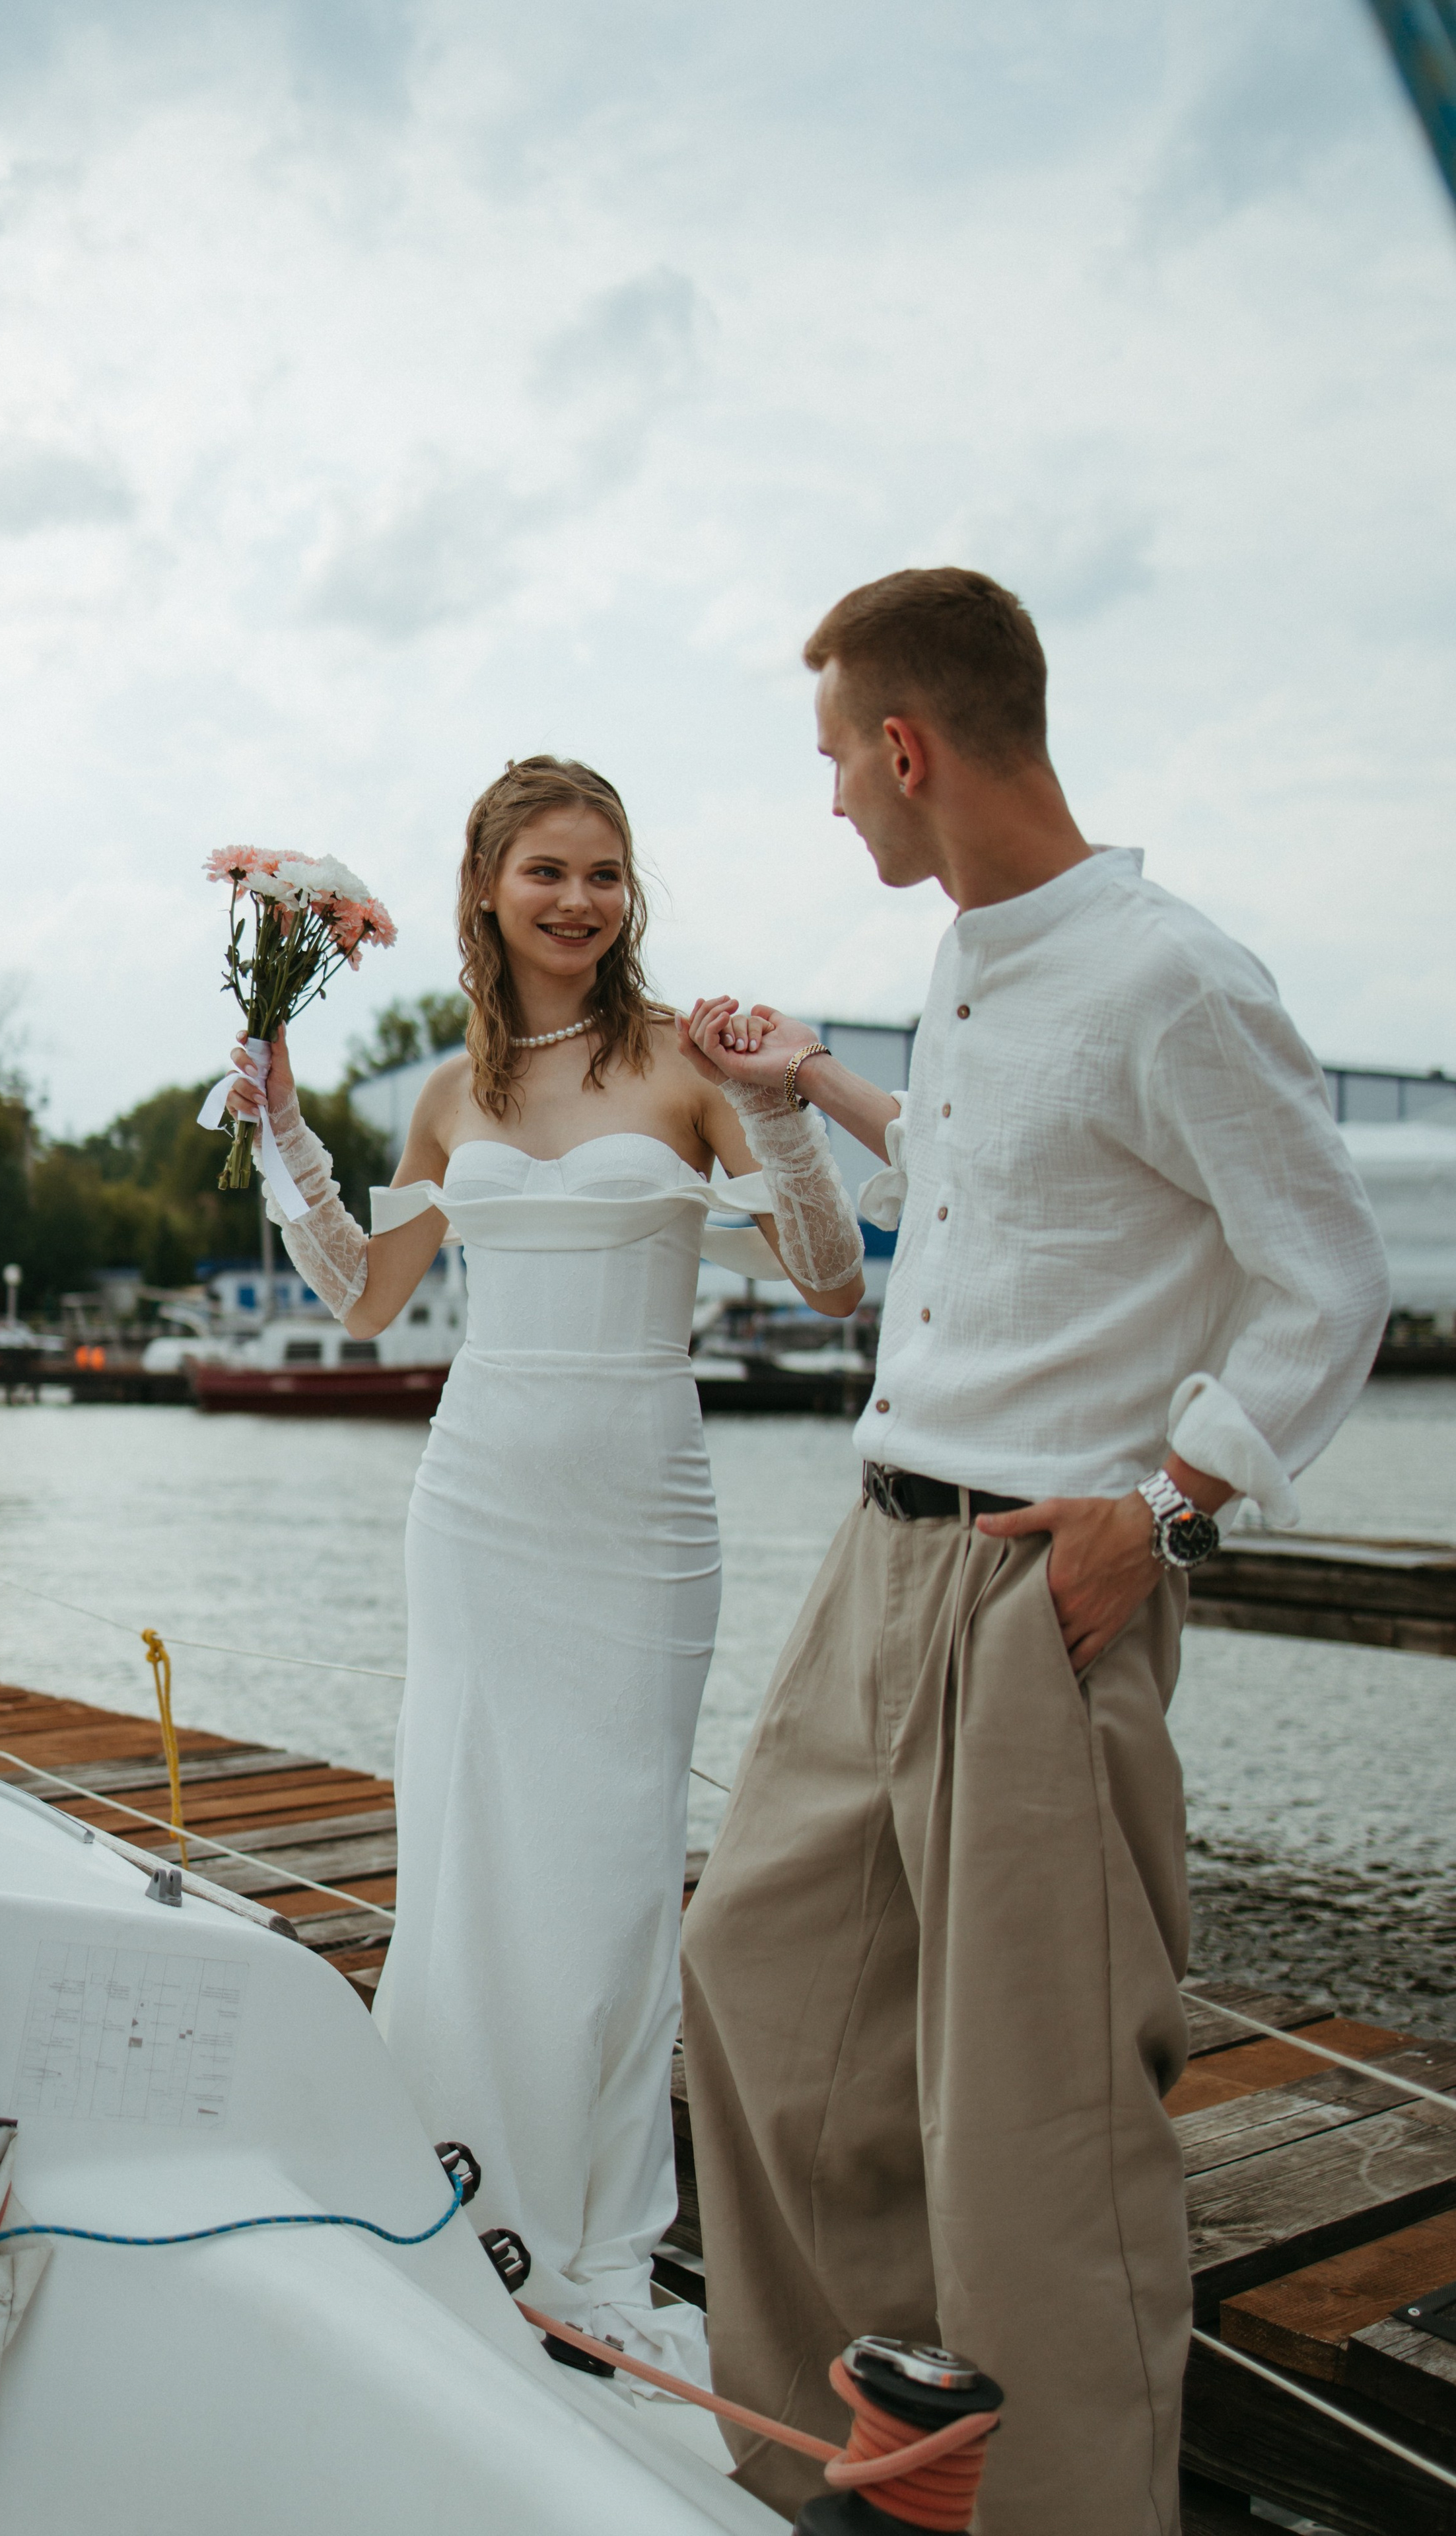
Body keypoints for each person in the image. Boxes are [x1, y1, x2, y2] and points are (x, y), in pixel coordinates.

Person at [674, 569, 1391, 2533]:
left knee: (1035, 2132)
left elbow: (1328, 1279)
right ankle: (871, 2459)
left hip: (1032, 1589)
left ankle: (1066, 2512)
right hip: (878, 1558)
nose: (833, 801)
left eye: (837, 758)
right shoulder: (971, 957)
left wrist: (1162, 1516)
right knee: (756, 1978)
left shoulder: (1178, 977)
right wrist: (806, 1081)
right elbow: (994, 1178)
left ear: (908, 749)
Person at [221, 754, 866, 2385]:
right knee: (466, 1838)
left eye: (604, 872)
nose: (579, 900)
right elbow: (367, 1300)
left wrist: (782, 1102)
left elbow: (829, 1281)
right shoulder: (448, 1094)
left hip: (641, 1514)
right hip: (481, 1497)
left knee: (608, 1856)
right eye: (547, 874)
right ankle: (448, 2186)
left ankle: (589, 2235)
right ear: (486, 892)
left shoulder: (686, 1059)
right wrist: (287, 1129)